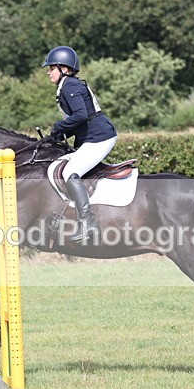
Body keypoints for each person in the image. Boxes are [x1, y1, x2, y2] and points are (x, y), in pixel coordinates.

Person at [41, 45, 118, 242]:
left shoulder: (70, 86)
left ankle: (89, 223)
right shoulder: (67, 85)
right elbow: (79, 120)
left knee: (69, 173)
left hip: (100, 136)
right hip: (93, 136)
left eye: (51, 68)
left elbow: (81, 115)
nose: (49, 72)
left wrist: (59, 126)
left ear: (64, 68)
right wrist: (60, 134)